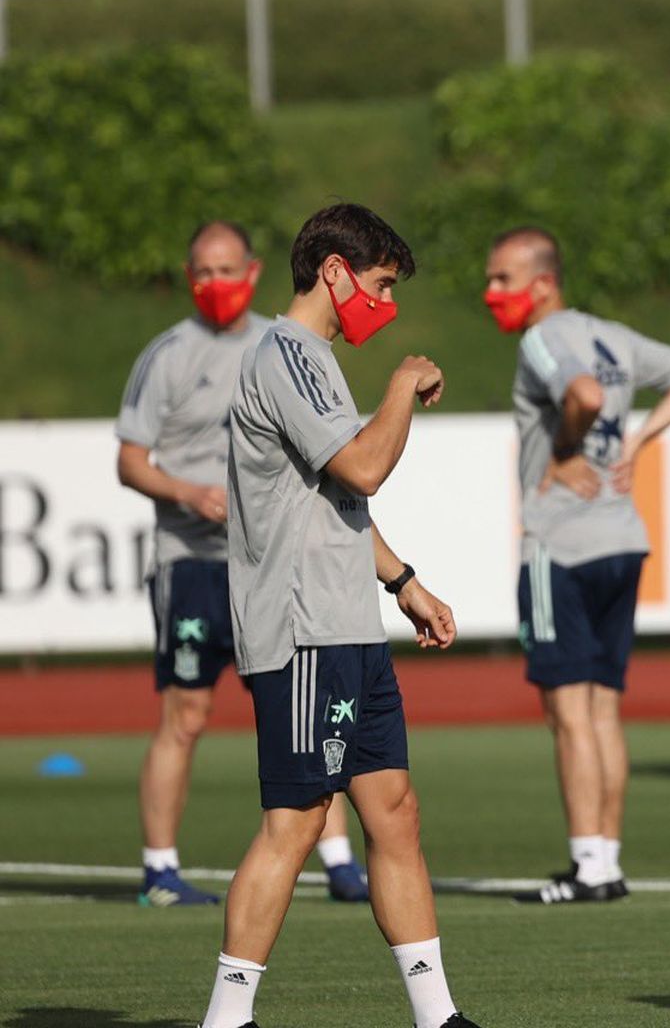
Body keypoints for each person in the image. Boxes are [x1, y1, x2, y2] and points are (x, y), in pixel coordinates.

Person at [201, 203, 478, 1028]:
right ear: (334, 271)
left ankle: (438, 1017)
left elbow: (331, 505)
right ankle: (227, 1019)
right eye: (380, 284)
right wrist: (399, 385)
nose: (384, 303)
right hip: (301, 630)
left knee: (393, 808)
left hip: (348, 621)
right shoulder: (285, 355)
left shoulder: (313, 358)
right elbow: (360, 468)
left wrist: (403, 582)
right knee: (296, 821)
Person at [115, 220, 368, 908]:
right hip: (195, 563)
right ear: (188, 275)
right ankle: (160, 870)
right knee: (186, 714)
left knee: (304, 711)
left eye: (228, 270)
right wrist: (184, 490)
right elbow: (130, 460)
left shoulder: (285, 344)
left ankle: (340, 861)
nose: (217, 284)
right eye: (204, 271)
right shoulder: (166, 355)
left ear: (253, 271)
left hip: (275, 566)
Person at [482, 226, 670, 903]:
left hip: (563, 542)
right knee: (605, 711)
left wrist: (562, 447)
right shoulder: (614, 336)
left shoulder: (542, 339)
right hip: (624, 538)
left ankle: (586, 865)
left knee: (569, 714)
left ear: (542, 283)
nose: (490, 291)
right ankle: (606, 859)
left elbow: (581, 397)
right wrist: (642, 435)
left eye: (502, 279)